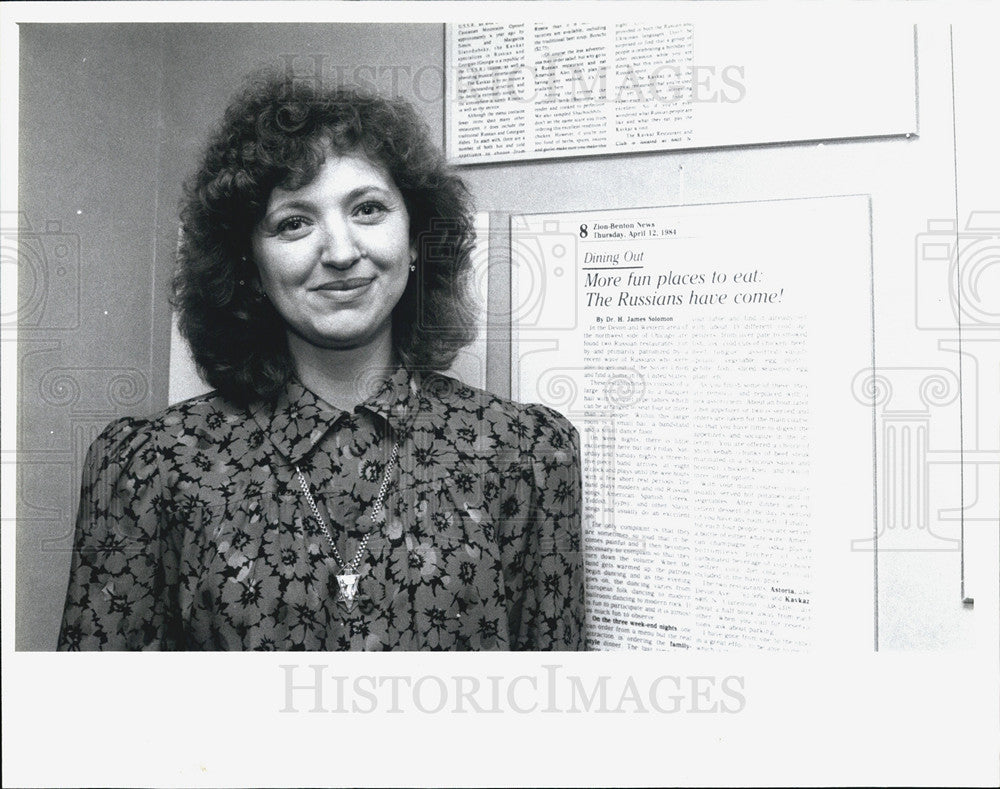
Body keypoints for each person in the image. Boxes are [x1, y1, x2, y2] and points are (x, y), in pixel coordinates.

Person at [57, 71, 586, 651]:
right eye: (294, 222)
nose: (339, 252)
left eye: (367, 209)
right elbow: (97, 727)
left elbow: (554, 725)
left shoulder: (526, 456)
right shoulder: (149, 470)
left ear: (414, 241)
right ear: (249, 264)